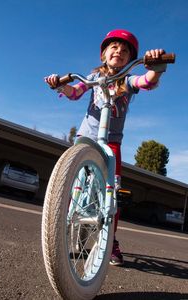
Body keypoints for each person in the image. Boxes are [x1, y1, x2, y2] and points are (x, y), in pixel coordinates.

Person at [44, 29, 167, 266]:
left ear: (131, 60)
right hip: (86, 137)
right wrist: (59, 85)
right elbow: (74, 92)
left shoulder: (127, 81)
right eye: (114, 48)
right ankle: (64, 223)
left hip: (111, 141)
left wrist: (156, 68)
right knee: (73, 179)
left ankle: (110, 239)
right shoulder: (91, 78)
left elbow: (146, 81)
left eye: (125, 51)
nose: (119, 52)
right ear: (103, 54)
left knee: (111, 190)